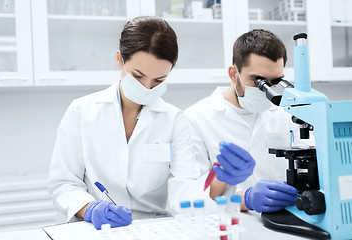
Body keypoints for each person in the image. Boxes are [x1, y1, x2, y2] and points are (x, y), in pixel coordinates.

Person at [48, 16, 211, 230]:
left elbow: (184, 188)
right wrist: (89, 208)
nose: (147, 87)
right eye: (138, 75)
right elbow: (63, 183)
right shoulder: (82, 111)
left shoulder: (175, 120)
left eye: (158, 80)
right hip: (96, 227)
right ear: (119, 60)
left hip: (154, 228)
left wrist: (217, 182)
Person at [185, 29, 312, 213]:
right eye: (258, 81)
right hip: (230, 226)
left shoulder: (287, 114)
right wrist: (244, 199)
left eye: (275, 82)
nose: (267, 90)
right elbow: (193, 195)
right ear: (233, 74)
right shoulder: (197, 118)